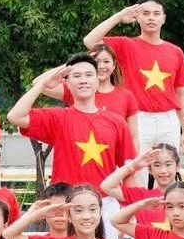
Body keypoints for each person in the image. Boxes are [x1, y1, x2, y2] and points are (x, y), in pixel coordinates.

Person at [8, 55, 136, 189]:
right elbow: (15, 116)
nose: (83, 80)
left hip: (104, 202)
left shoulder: (117, 123)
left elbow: (129, 170)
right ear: (67, 83)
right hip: (65, 200)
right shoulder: (58, 118)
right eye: (76, 76)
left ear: (97, 80)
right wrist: (43, 84)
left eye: (89, 75)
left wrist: (131, 206)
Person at [84, 1, 184, 159]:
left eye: (156, 14)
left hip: (168, 120)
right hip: (137, 119)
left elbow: (181, 93)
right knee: (135, 170)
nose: (151, 18)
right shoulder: (125, 45)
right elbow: (89, 41)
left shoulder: (175, 52)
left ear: (163, 18)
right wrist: (119, 16)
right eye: (146, 13)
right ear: (137, 18)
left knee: (168, 173)